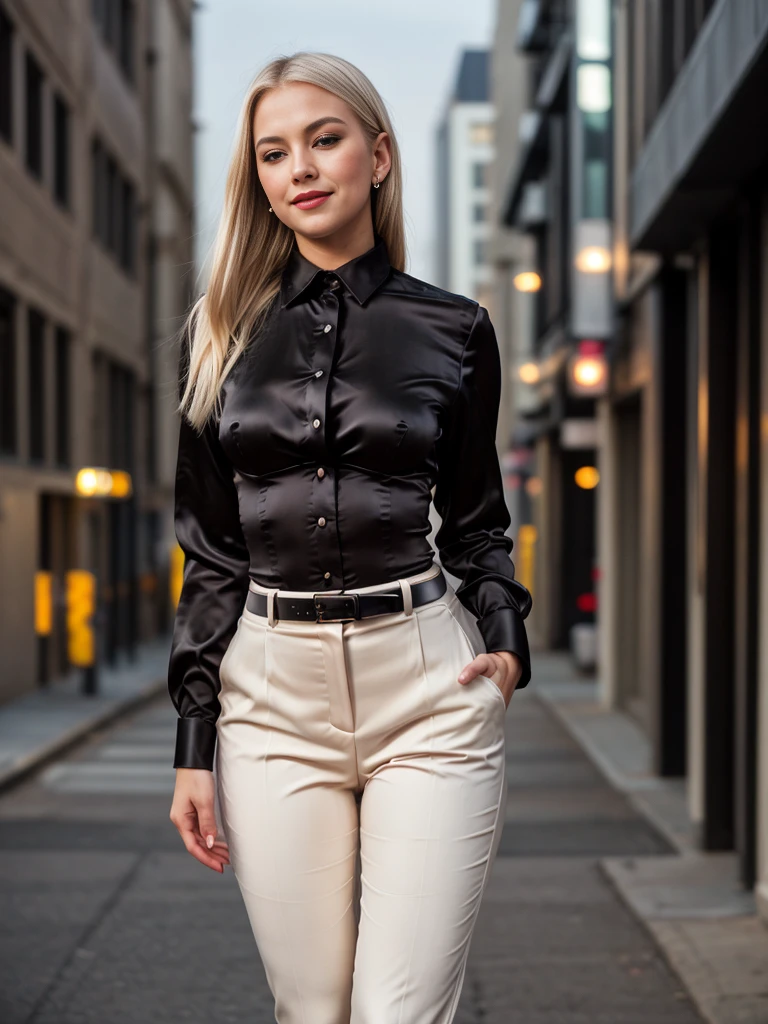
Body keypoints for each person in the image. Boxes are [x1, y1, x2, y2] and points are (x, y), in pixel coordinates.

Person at [168, 50, 533, 1023]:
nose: (301, 167)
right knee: (315, 1008)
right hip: (270, 696)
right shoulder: (217, 336)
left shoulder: (456, 330)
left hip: (426, 687)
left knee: (396, 1012)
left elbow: (475, 519)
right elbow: (210, 551)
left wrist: (504, 637)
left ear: (377, 156)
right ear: (260, 180)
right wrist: (193, 740)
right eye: (274, 152)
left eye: (324, 140)